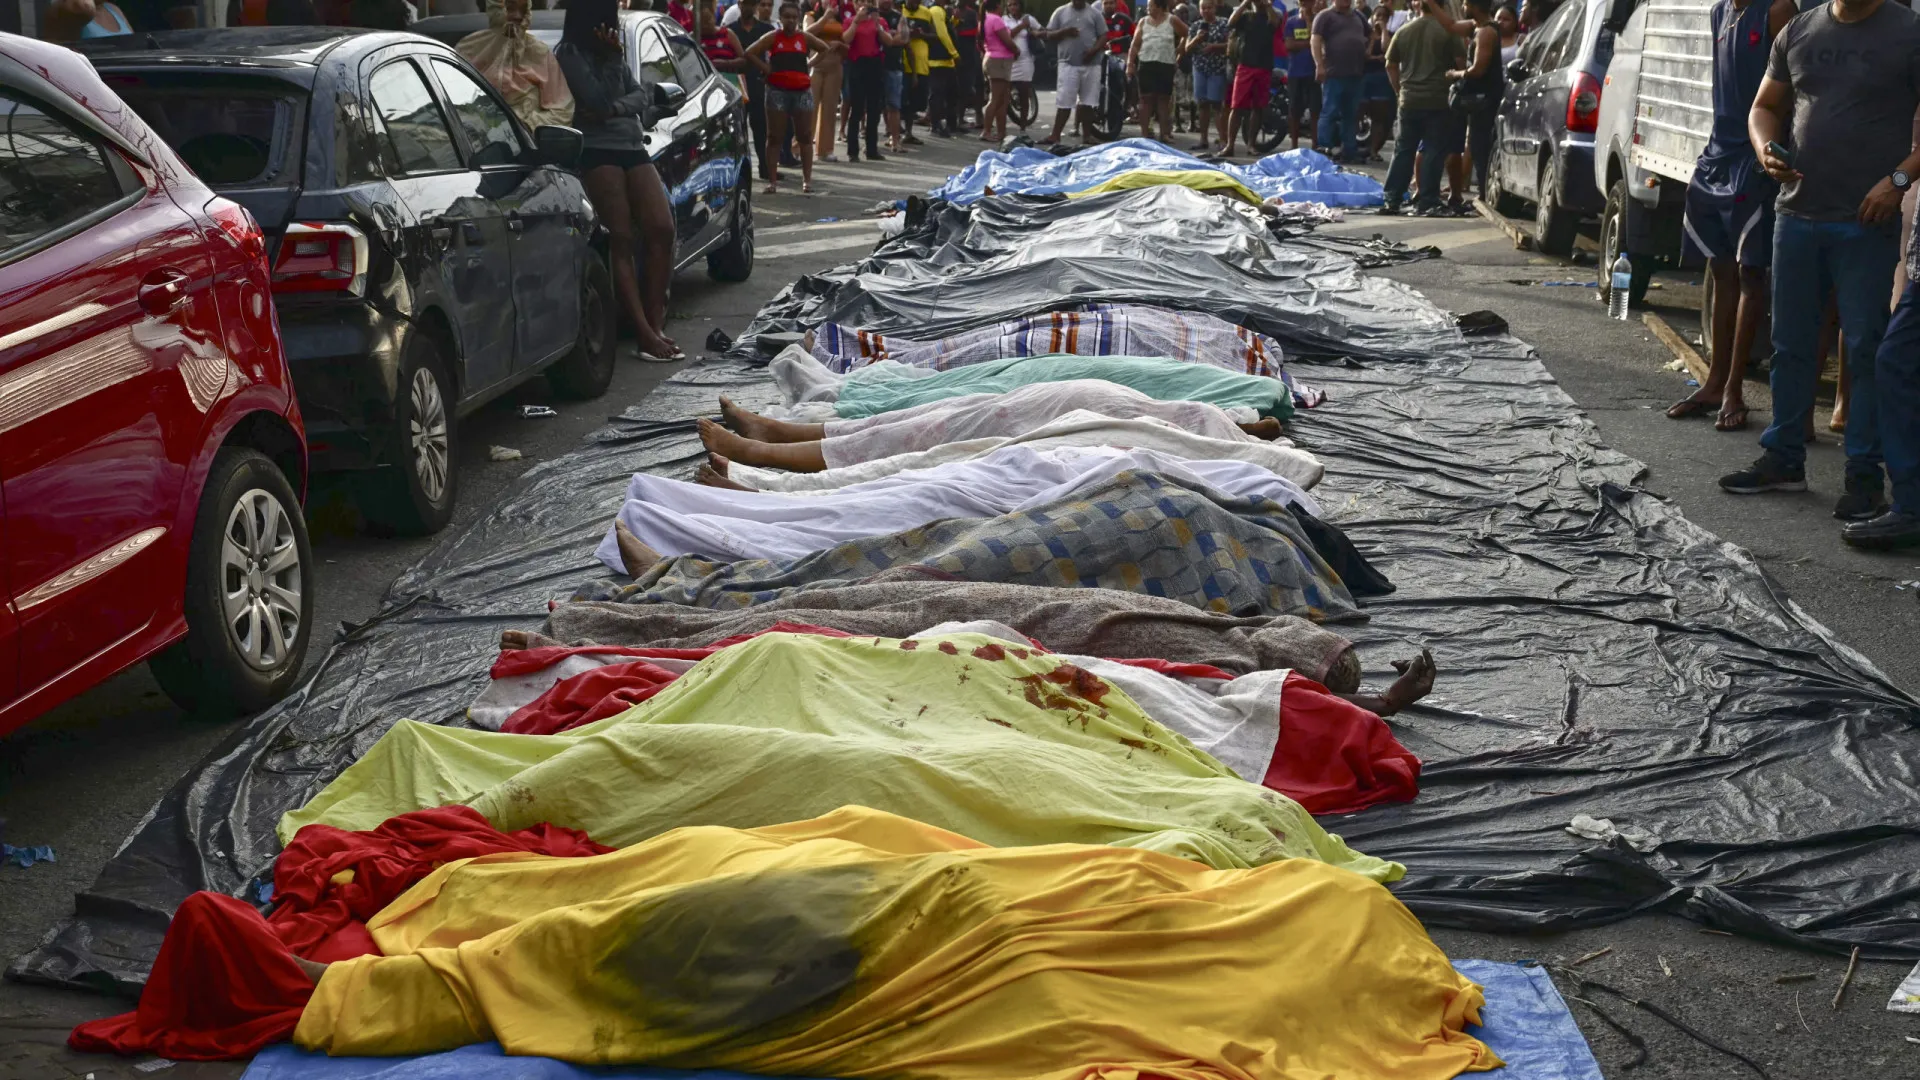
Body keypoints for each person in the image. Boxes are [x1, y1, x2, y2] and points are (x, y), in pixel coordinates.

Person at [1727, 0, 1920, 529]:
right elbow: (1764, 106)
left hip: (1865, 218)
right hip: (1797, 214)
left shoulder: (1909, 30)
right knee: (1789, 344)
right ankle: (1784, 457)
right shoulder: (1799, 30)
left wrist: (1898, 181)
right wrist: (1765, 146)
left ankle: (1863, 477)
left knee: (1865, 348)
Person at [1665, 0, 1795, 432]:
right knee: (1720, 271)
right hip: (1717, 155)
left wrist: (1774, 156)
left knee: (1750, 275)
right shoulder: (1720, 11)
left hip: (1754, 159)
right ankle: (1714, 381)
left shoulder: (1777, 11)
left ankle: (1735, 387)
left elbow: (1789, 95)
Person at [700, 388, 1289, 473]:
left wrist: (1251, 430)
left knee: (945, 441)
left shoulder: (1221, 453)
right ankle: (787, 433)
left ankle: (770, 457)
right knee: (954, 410)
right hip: (1084, 403)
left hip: (1082, 425)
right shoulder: (1221, 423)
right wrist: (1251, 424)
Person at [555, 0, 680, 362]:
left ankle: (656, 324)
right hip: (597, 150)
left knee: (661, 227)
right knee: (621, 238)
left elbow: (639, 96)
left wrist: (613, 109)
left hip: (630, 144)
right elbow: (595, 96)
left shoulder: (614, 52)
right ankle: (643, 333)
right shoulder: (569, 53)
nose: (610, 25)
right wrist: (613, 85)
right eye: (604, 18)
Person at [1379, 0, 1463, 214]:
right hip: (1438, 99)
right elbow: (1461, 63)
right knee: (1434, 150)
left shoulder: (1404, 30)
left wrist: (1400, 90)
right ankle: (1427, 199)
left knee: (1404, 150)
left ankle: (1392, 199)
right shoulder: (1448, 31)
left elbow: (1390, 65)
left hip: (1409, 100)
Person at [746, 0, 831, 192]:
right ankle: (772, 181)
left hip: (801, 91)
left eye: (794, 17)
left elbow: (825, 48)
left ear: (798, 19)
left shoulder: (804, 38)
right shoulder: (773, 37)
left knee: (805, 136)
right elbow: (750, 52)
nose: (791, 21)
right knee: (774, 137)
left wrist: (810, 64)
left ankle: (807, 180)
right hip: (777, 91)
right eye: (787, 17)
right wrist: (766, 68)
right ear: (781, 18)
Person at [458, 0, 575, 131]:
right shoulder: (469, 49)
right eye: (510, 8)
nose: (518, 16)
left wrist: (524, 127)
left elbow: (562, 110)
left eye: (523, 10)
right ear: (495, 8)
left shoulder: (540, 54)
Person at [1442, 0, 1501, 198]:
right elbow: (1450, 25)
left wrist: (1455, 74)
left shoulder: (1486, 32)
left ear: (1475, 5)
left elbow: (1478, 69)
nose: (1463, 7)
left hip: (1484, 99)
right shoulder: (1475, 27)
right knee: (1475, 144)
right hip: (1477, 98)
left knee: (1479, 145)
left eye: (1466, 3)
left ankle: (1484, 194)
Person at [1042, 0, 1109, 144]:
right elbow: (1048, 34)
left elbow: (1104, 35)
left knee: (1088, 102)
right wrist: (1064, 32)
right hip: (1068, 63)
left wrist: (1093, 50)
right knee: (1064, 101)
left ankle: (1087, 135)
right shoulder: (1060, 12)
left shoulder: (1095, 13)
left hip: (1092, 64)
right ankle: (1055, 135)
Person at [1311, 0, 1367, 160]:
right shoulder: (1325, 16)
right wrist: (1319, 65)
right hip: (1334, 73)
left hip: (1356, 73)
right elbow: (1315, 40)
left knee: (1351, 114)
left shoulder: (1358, 16)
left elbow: (1370, 33)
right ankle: (1324, 149)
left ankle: (1349, 150)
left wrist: (1367, 49)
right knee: (1330, 112)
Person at [1223, 0, 1280, 157]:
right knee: (1237, 107)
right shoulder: (1246, 16)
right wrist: (1245, 3)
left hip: (1264, 66)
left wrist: (1267, 5)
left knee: (1258, 107)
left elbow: (1275, 23)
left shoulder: (1274, 13)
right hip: (1245, 65)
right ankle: (1230, 145)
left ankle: (1251, 144)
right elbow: (1230, 22)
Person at [843, 0, 899, 159]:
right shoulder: (850, 21)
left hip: (874, 65)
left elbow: (889, 41)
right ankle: (853, 151)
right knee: (857, 109)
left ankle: (871, 149)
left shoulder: (879, 21)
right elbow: (846, 39)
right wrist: (856, 21)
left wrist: (877, 25)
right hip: (857, 65)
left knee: (874, 110)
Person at [1127, 0, 1187, 142]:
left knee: (1163, 100)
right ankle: (1145, 134)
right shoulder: (1143, 22)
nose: (1148, 9)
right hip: (1146, 64)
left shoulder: (1172, 19)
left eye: (1151, 6)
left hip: (1165, 64)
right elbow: (1135, 45)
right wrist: (1130, 63)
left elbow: (1186, 33)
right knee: (1146, 99)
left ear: (1159, 7)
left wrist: (1180, 51)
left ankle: (1164, 134)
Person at [734, 0, 778, 180]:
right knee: (738, 132)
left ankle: (765, 168)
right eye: (746, 3)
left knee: (762, 130)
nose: (749, 8)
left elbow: (773, 58)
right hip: (737, 88)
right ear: (739, 4)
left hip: (759, 86)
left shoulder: (766, 31)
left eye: (752, 4)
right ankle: (739, 174)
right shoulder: (730, 30)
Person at [904, 0, 960, 137]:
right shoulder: (935, 10)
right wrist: (954, 54)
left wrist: (955, 20)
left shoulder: (930, 12)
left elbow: (941, 31)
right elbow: (942, 34)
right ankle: (935, 125)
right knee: (937, 94)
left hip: (940, 60)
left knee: (949, 93)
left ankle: (948, 124)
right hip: (936, 60)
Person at [803, 1, 849, 160]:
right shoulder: (810, 16)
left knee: (829, 109)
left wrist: (840, 45)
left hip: (835, 67)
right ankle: (801, 147)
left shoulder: (841, 20)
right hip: (815, 66)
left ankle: (825, 150)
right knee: (810, 108)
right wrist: (824, 18)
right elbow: (807, 32)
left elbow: (848, 41)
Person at [1186, 0, 1232, 150]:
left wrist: (1214, 47)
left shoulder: (1224, 24)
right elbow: (1187, 48)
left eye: (1209, 7)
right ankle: (1203, 139)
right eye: (1203, 8)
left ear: (1215, 7)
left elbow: (1231, 45)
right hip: (1200, 68)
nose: (1206, 11)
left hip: (1217, 68)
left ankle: (1223, 140)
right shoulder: (1195, 26)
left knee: (1217, 105)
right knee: (1202, 104)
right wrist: (1197, 38)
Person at [979, 0, 1020, 140]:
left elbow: (979, 42)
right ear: (997, 6)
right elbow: (1007, 40)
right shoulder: (995, 19)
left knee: (1003, 99)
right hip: (999, 61)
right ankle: (986, 131)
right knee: (996, 99)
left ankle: (1001, 132)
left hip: (993, 59)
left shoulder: (985, 19)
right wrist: (1016, 50)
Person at [1360, 0, 1395, 160]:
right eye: (1377, 15)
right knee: (1358, 111)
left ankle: (1374, 150)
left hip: (1382, 79)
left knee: (1379, 117)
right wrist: (1373, 38)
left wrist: (1384, 31)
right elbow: (1365, 55)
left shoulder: (1392, 35)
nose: (1380, 18)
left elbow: (1387, 50)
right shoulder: (1365, 34)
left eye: (1383, 16)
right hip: (1365, 77)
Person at [1005, 0, 1043, 130]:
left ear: (1020, 5)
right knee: (1004, 95)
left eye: (1015, 4)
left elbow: (1041, 30)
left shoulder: (1028, 18)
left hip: (1025, 60)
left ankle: (1023, 127)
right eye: (1009, 5)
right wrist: (1022, 26)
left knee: (1024, 93)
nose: (1012, 7)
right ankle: (1001, 127)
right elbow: (1007, 35)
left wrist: (1034, 32)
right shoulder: (1004, 19)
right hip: (1008, 61)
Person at [878, 0, 909, 149]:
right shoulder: (871, 15)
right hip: (874, 65)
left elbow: (903, 38)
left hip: (894, 66)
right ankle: (870, 142)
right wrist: (891, 35)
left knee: (894, 105)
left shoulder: (899, 17)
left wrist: (885, 37)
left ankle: (895, 140)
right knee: (871, 106)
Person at [952, 0, 984, 129]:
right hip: (955, 54)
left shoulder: (971, 13)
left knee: (976, 83)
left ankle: (978, 115)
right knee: (957, 88)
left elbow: (977, 31)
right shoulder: (950, 11)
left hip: (971, 54)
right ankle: (957, 118)